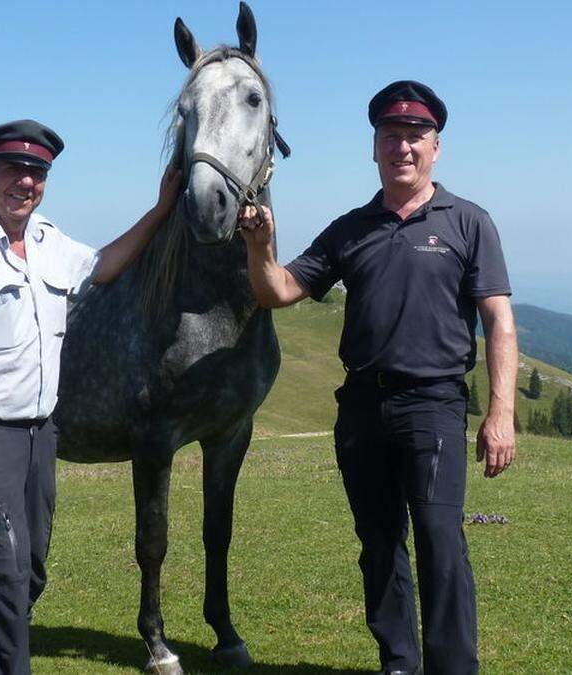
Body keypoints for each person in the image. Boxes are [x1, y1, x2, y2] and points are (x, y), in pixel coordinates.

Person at [237, 81, 517, 674]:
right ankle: (398, 662)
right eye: (391, 136)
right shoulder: (350, 228)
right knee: (380, 544)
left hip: (435, 403)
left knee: (442, 541)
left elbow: (498, 322)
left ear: (436, 148)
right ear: (374, 148)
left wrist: (501, 413)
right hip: (362, 407)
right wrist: (261, 248)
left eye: (416, 137)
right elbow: (279, 290)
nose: (403, 147)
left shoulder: (469, 222)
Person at [0, 119, 181, 675]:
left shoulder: (49, 241)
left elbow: (103, 266)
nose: (25, 182)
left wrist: (159, 210)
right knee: (3, 573)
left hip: (39, 434)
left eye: (37, 173)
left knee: (27, 570)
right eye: (13, 170)